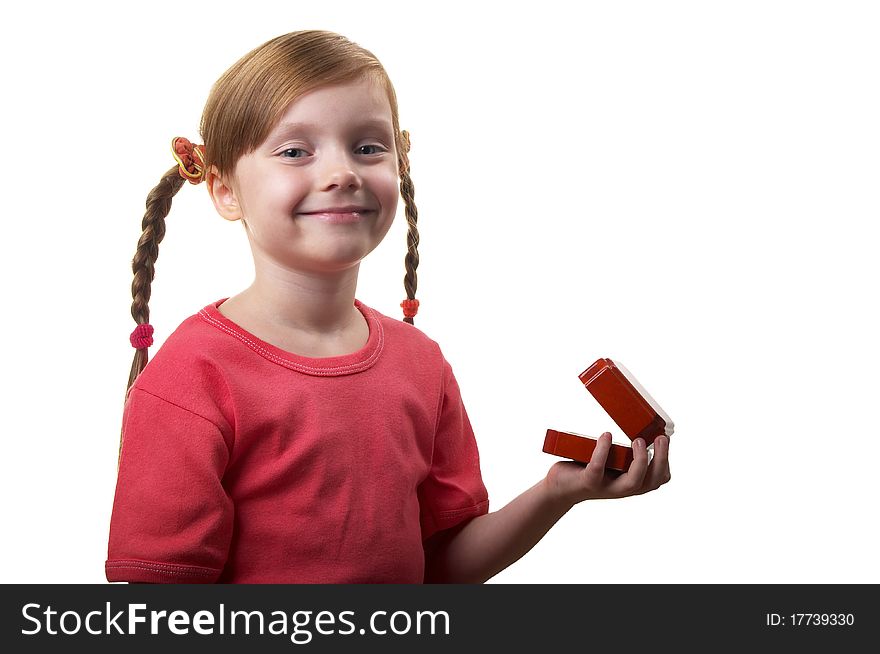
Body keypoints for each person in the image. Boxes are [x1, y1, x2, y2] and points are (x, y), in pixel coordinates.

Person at [106, 30, 671, 584]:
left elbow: (442, 567)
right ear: (225, 189)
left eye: (368, 147)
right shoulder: (191, 376)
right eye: (295, 151)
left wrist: (558, 492)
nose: (343, 172)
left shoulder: (422, 363)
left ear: (399, 164)